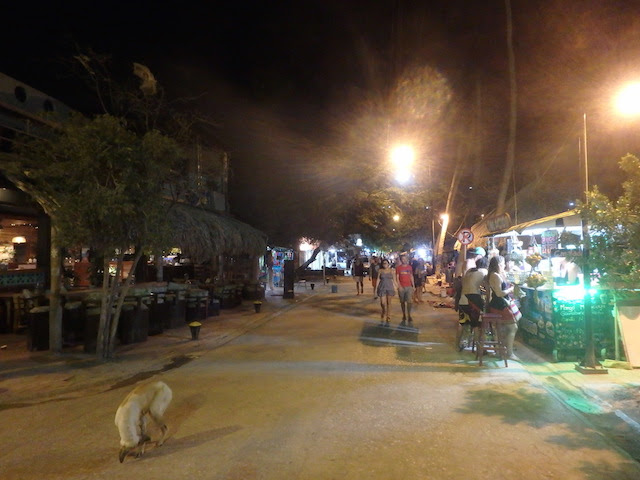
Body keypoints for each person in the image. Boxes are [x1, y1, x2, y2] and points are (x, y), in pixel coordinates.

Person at [487, 255, 518, 359]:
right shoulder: (495, 275)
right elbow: (499, 293)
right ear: (499, 264)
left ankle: (503, 350)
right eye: (503, 263)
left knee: (507, 327)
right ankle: (509, 352)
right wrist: (510, 289)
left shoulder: (497, 274)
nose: (504, 265)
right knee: (513, 327)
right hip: (499, 304)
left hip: (500, 303)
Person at [456, 256, 488, 350]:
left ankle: (459, 344)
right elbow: (487, 287)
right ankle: (479, 348)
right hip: (473, 300)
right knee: (476, 325)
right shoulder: (483, 272)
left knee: (463, 323)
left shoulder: (469, 272)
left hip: (462, 299)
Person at [395, 253, 415, 325]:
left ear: (407, 259)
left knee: (409, 301)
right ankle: (404, 314)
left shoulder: (409, 267)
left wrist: (413, 285)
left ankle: (409, 314)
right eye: (403, 259)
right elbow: (397, 278)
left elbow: (411, 276)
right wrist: (399, 286)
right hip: (402, 287)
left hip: (409, 286)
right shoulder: (398, 268)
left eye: (405, 259)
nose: (404, 260)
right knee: (402, 302)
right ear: (401, 260)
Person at [376, 258, 396, 326]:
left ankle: (388, 315)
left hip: (390, 288)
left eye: (386, 263)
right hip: (382, 287)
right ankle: (383, 310)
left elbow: (394, 280)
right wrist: (376, 288)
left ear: (388, 264)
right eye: (383, 263)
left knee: (389, 303)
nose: (385, 265)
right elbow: (378, 279)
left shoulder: (392, 271)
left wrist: (398, 287)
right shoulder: (380, 271)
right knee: (382, 302)